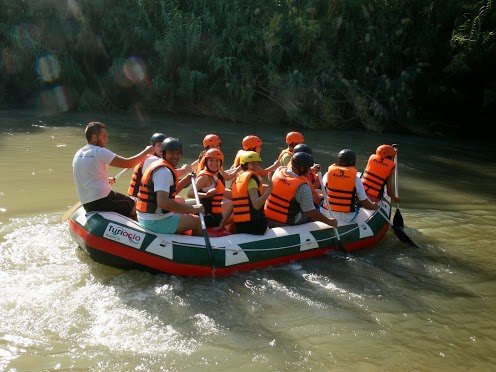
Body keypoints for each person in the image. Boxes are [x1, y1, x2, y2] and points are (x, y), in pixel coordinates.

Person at [72, 121, 155, 217]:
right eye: (103, 136)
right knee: (140, 207)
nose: (107, 139)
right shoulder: (100, 151)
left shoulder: (78, 154)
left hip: (87, 204)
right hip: (104, 199)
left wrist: (105, 180)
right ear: (94, 137)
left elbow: (87, 176)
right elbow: (128, 163)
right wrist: (147, 151)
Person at [136, 137, 205, 235]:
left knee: (182, 209)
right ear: (164, 153)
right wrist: (192, 208)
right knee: (197, 221)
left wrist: (185, 181)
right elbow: (163, 203)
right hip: (155, 221)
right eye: (171, 153)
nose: (175, 156)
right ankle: (196, 247)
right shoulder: (164, 172)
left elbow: (166, 195)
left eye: (178, 153)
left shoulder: (159, 165)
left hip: (146, 217)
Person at [265, 152, 337, 228]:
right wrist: (329, 221)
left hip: (268, 215)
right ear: (302, 168)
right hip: (288, 220)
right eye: (308, 168)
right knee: (313, 214)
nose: (310, 170)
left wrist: (312, 169)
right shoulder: (302, 187)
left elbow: (292, 172)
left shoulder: (279, 171)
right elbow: (311, 212)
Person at [321, 149, 379, 222]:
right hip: (347, 218)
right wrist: (373, 206)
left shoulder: (327, 175)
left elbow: (325, 192)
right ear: (354, 162)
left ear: (338, 161)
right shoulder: (356, 179)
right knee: (358, 205)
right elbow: (364, 203)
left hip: (327, 214)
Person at [188, 148, 235, 230]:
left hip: (216, 216)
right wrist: (205, 195)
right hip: (207, 218)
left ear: (220, 163)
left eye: (217, 161)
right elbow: (190, 193)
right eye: (211, 160)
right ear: (206, 161)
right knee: (238, 216)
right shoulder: (205, 177)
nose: (214, 163)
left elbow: (228, 176)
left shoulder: (217, 174)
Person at [230, 151, 272, 235]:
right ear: (245, 165)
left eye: (257, 164)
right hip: (254, 226)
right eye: (252, 164)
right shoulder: (251, 180)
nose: (256, 166)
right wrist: (270, 188)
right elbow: (256, 205)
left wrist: (222, 224)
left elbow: (233, 204)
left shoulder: (239, 178)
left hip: (240, 225)